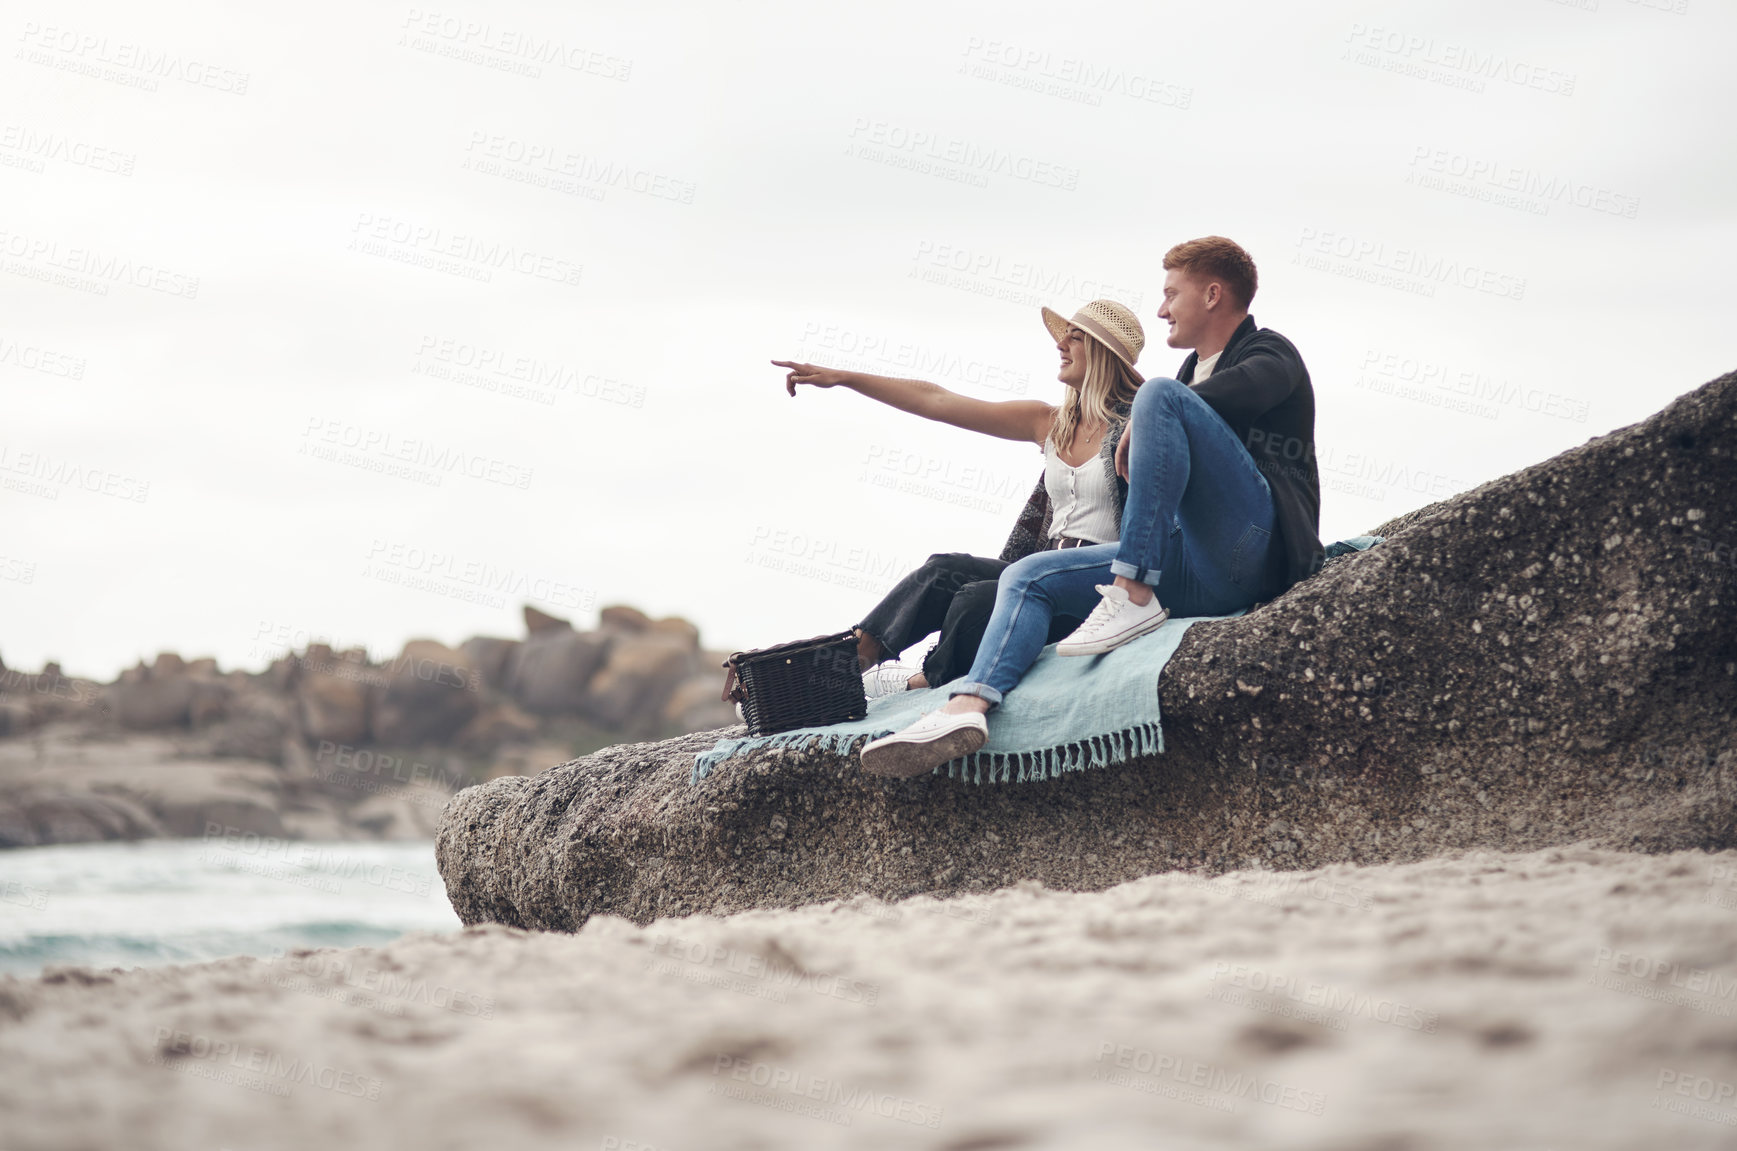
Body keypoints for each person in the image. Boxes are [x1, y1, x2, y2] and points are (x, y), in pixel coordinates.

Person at [859, 236, 1325, 779]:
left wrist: (1151, 418)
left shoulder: (1268, 352)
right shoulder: (1176, 382)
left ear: (1214, 295)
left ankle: (1131, 591)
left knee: (1156, 395)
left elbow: (1243, 390)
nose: (1162, 308)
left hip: (1252, 549)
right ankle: (967, 707)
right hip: (1193, 570)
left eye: (1172, 294)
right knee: (1026, 576)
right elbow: (941, 403)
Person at [772, 299, 1147, 697]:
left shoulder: (1141, 422)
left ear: (1105, 354)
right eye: (1063, 336)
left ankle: (922, 680)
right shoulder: (1050, 422)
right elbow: (937, 401)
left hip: (1097, 581)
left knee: (978, 598)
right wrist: (845, 377)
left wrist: (1145, 417)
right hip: (1038, 568)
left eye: (1076, 338)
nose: (1061, 345)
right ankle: (837, 674)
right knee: (941, 570)